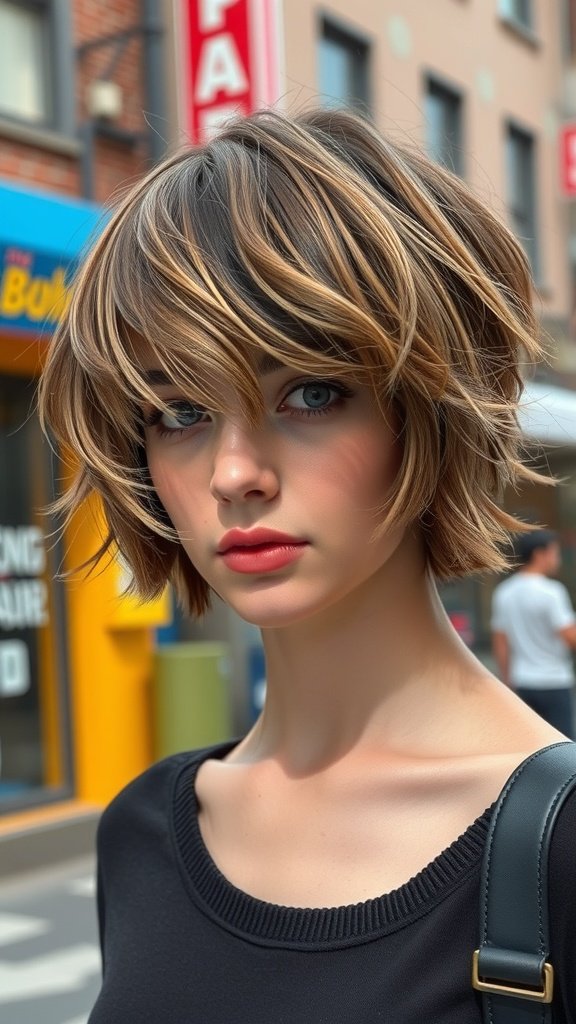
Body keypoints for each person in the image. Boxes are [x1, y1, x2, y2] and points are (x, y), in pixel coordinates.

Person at [38, 107, 576, 1023]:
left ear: (429, 402)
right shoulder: (142, 835)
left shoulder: (555, 854)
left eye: (311, 393)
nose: (236, 474)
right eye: (179, 412)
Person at [491, 529, 576, 737]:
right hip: (554, 681)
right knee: (562, 747)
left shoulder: (504, 592)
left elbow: (501, 642)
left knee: (532, 746)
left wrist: (507, 680)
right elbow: (570, 636)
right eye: (554, 553)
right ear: (539, 554)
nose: (557, 560)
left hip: (522, 681)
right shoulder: (552, 592)